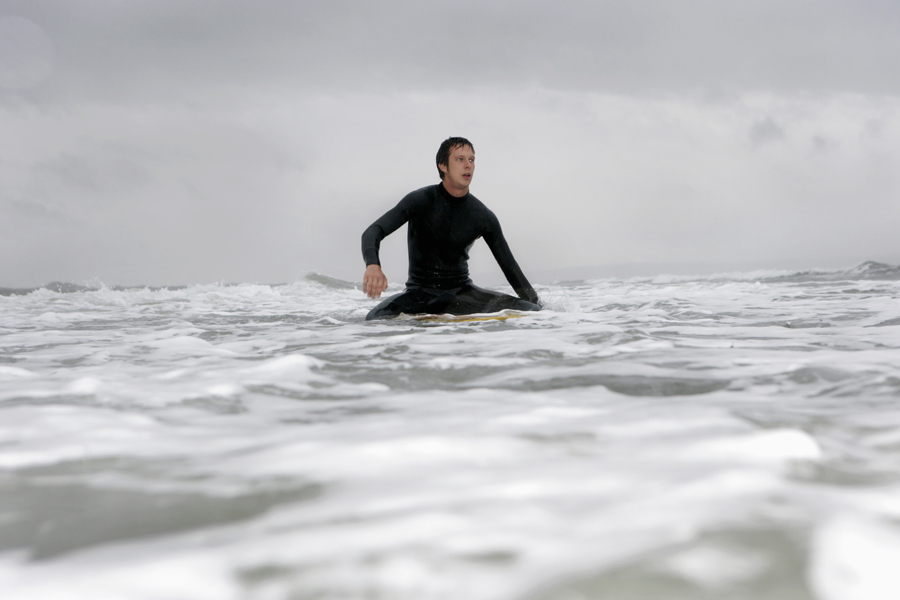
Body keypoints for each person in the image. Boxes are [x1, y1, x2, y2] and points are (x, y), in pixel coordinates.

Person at [361, 137, 541, 320]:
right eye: (460, 159)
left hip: (462, 294)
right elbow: (374, 231)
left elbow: (511, 269)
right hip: (420, 295)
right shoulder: (420, 200)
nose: (468, 165)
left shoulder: (482, 216)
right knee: (374, 318)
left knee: (533, 310)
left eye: (471, 160)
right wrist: (373, 265)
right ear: (443, 165)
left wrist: (541, 308)